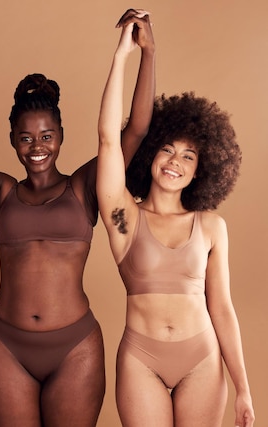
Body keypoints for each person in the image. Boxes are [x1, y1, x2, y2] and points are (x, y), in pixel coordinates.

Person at [0, 10, 155, 426]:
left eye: (46, 136)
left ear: (61, 136)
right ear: (13, 139)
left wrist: (145, 53)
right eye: (26, 138)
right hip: (6, 347)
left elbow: (134, 131)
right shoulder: (1, 192)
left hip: (75, 347)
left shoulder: (84, 187)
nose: (37, 147)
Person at [97, 13, 255, 427]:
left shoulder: (211, 227)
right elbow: (110, 139)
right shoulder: (123, 217)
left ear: (202, 168)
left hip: (201, 359)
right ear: (151, 153)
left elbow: (221, 307)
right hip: (140, 359)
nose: (175, 162)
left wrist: (243, 388)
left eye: (189, 155)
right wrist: (124, 55)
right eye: (168, 149)